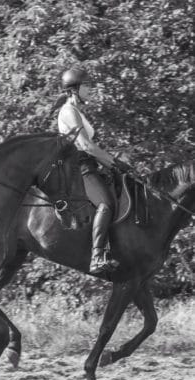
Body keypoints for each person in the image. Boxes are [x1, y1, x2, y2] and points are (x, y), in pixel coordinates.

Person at [55, 68, 128, 274]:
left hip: (89, 164)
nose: (90, 89)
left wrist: (111, 163)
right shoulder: (68, 112)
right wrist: (113, 162)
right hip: (79, 167)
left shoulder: (77, 111)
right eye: (86, 85)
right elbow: (86, 146)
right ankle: (96, 257)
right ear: (74, 89)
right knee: (105, 204)